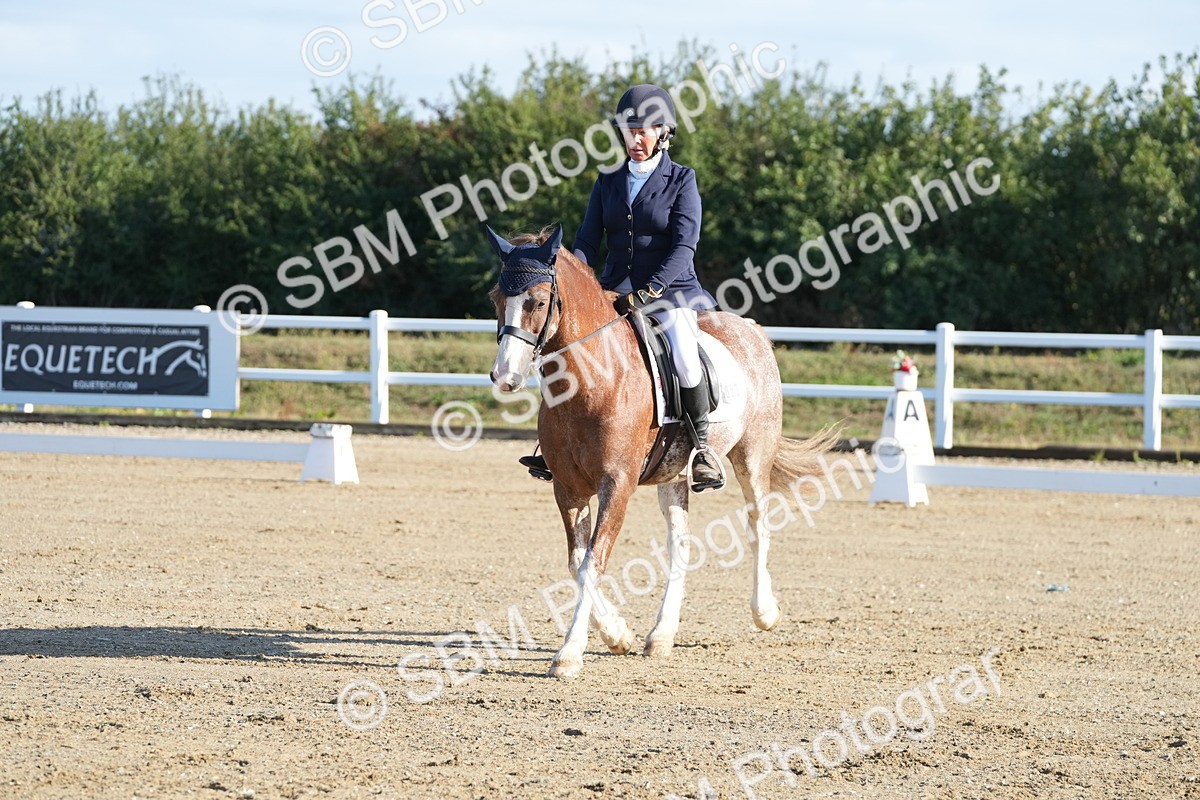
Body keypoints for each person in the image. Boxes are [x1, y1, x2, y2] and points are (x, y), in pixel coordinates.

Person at [522, 83, 724, 493]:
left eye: (645, 131)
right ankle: (554, 443)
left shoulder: (682, 180)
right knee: (569, 351)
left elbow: (685, 246)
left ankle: (701, 447)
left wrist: (649, 292)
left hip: (671, 289)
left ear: (663, 133)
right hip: (613, 291)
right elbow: (587, 240)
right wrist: (577, 278)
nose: (636, 139)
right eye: (630, 131)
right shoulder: (608, 180)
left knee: (684, 355)